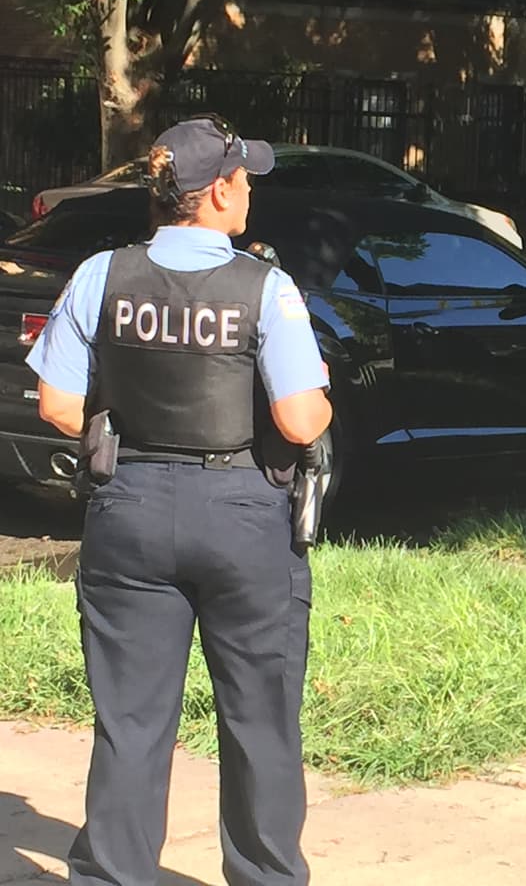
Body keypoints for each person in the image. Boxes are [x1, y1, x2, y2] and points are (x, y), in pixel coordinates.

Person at [25, 114, 333, 886]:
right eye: (245, 179)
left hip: (127, 507)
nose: (250, 193)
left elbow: (58, 405)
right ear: (217, 191)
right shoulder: (265, 286)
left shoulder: (104, 274)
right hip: (241, 515)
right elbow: (300, 418)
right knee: (259, 721)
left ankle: (113, 874)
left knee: (131, 721)